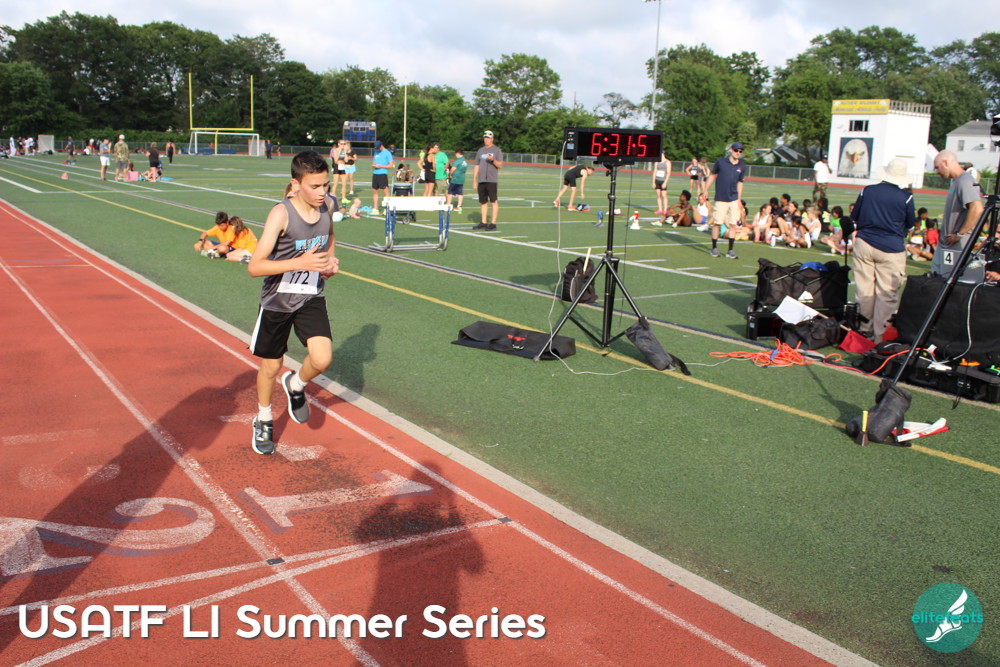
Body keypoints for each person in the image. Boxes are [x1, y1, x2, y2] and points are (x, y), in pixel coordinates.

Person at [246, 150, 340, 455]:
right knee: (271, 366)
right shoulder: (281, 214)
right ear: (296, 184)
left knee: (322, 359)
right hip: (277, 300)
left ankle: (296, 384)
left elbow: (329, 236)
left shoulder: (328, 205)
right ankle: (263, 418)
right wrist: (300, 262)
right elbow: (255, 267)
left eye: (326, 184)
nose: (322, 192)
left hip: (310, 295)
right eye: (315, 186)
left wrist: (329, 262)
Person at [851, 158, 916, 343]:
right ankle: (879, 337)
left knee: (864, 290)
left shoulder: (867, 191)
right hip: (891, 247)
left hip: (865, 242)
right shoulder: (905, 197)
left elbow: (855, 216)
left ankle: (863, 330)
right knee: (886, 294)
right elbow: (910, 224)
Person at [930, 149, 985, 279]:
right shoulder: (957, 181)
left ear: (945, 162)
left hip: (955, 247)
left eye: (937, 167)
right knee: (937, 281)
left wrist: (960, 234)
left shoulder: (965, 180)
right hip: (947, 245)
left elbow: (977, 208)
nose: (936, 171)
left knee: (950, 283)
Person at [704, 142, 746, 259]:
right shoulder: (721, 162)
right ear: (731, 150)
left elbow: (740, 183)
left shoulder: (742, 166)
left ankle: (730, 250)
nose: (738, 153)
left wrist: (739, 199)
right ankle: (714, 248)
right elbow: (712, 176)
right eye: (736, 150)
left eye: (740, 151)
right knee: (717, 223)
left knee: (733, 225)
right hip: (721, 198)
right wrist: (705, 190)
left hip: (734, 199)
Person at [472, 130, 503, 231]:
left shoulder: (497, 150)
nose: (486, 140)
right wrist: (474, 179)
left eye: (488, 138)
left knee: (493, 201)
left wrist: (493, 160)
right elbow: (477, 165)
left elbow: (500, 165)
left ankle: (493, 223)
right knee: (483, 202)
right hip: (482, 180)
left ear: (492, 139)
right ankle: (484, 222)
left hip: (491, 180)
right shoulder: (480, 150)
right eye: (485, 138)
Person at [371, 140, 394, 213]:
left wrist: (381, 166)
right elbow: (374, 162)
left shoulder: (387, 153)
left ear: (381, 145)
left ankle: (387, 208)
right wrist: (374, 165)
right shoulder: (376, 152)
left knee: (385, 190)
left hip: (383, 173)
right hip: (375, 173)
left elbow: (391, 165)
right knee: (375, 190)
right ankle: (375, 208)